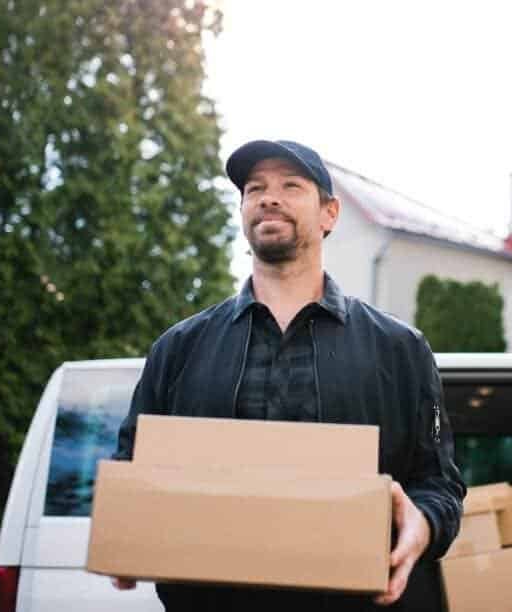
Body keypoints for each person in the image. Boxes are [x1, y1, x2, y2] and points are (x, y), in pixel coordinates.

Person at [110, 140, 466, 611]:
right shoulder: (179, 348)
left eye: (290, 186)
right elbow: (131, 463)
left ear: (329, 214)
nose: (267, 197)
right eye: (254, 188)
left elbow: (438, 481)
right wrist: (125, 525)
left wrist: (423, 525)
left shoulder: (400, 349)